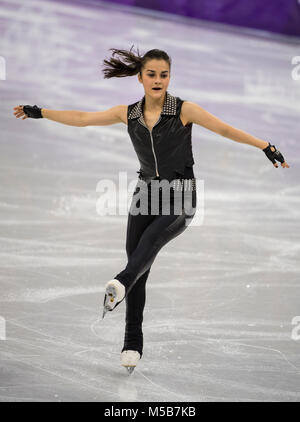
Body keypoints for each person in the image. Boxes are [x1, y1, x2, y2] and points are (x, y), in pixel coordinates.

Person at [13, 45, 290, 374]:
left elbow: (225, 129)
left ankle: (119, 282)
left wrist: (265, 146)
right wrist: (40, 111)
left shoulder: (184, 110)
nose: (158, 80)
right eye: (151, 74)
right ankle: (132, 342)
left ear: (169, 77)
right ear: (140, 77)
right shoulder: (127, 113)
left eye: (164, 74)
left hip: (181, 195)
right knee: (139, 265)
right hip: (145, 194)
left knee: (147, 247)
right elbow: (83, 119)